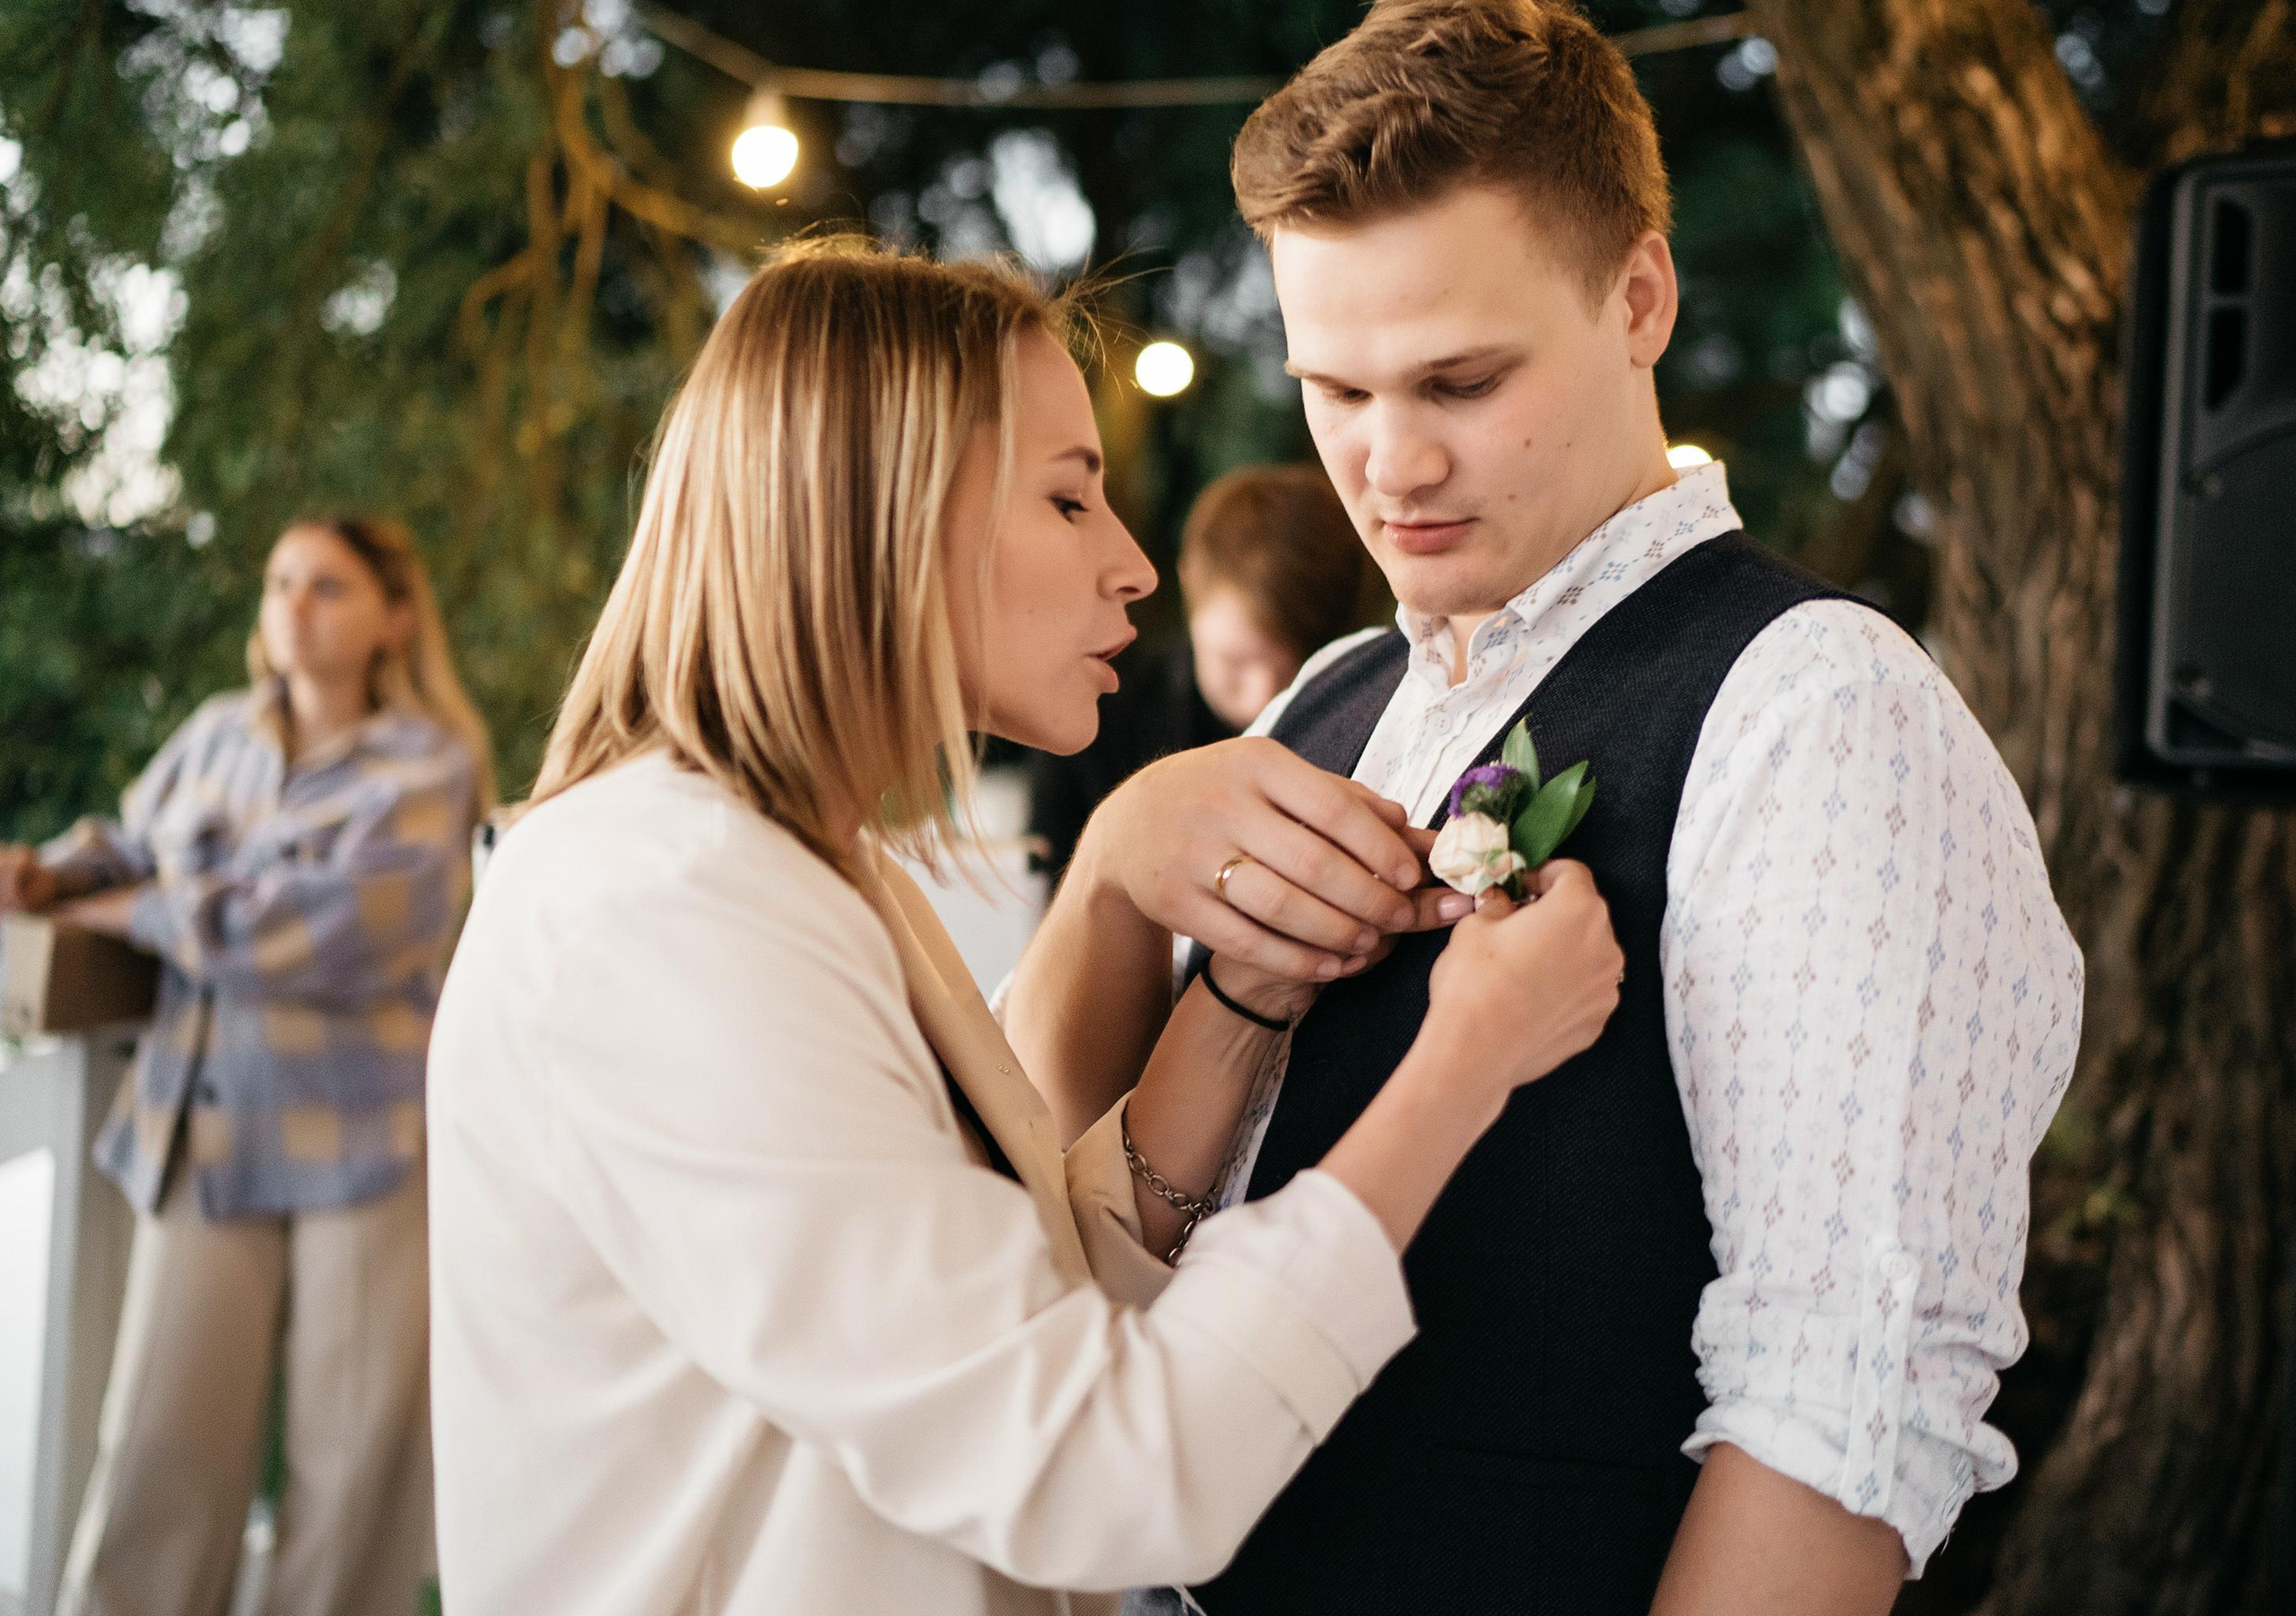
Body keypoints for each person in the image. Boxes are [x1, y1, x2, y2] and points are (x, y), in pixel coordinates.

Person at [1007, 4, 2087, 1612]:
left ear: (1638, 296)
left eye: (1459, 380)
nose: (1389, 465)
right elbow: (1036, 1248)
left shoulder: (1816, 718)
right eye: (1336, 389)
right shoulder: (1329, 701)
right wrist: (1107, 875)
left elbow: (1842, 1425)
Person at [423, 238, 1627, 1616]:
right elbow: (1096, 1467)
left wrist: (1241, 1002)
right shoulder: (661, 918)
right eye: (1069, 501)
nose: (1134, 570)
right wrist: (1469, 1055)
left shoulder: (815, 872)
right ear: (880, 512)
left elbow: (1028, 1305)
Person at [0, 514, 491, 1616]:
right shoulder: (217, 733)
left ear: (393, 616)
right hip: (202, 1128)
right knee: (162, 1448)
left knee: (352, 1469)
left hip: (362, 1147)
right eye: (280, 582)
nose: (294, 604)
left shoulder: (427, 763)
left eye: (327, 585)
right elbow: (130, 842)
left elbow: (326, 929)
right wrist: (52, 874)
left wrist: (140, 909)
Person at [1028, 464, 1382, 884]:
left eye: (1300, 670)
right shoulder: (1095, 713)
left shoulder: (1385, 719)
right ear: (1188, 588)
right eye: (1233, 662)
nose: (1261, 700)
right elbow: (1048, 893)